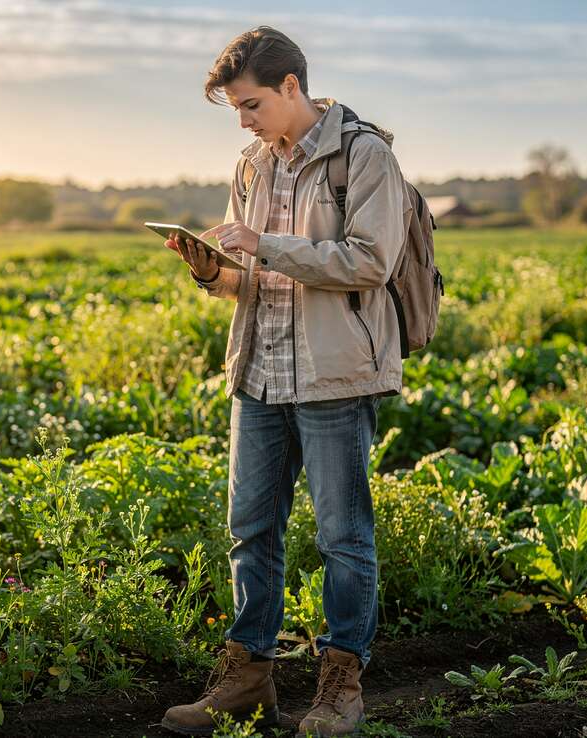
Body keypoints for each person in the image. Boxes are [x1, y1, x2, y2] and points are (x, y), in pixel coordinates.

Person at [160, 25, 411, 738]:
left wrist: (265, 244)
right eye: (236, 109)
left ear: (291, 87)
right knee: (251, 530)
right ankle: (248, 678)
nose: (242, 121)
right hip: (259, 373)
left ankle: (341, 688)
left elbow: (370, 263)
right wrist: (213, 270)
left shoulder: (363, 156)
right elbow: (253, 281)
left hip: (334, 377)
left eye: (250, 105)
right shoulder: (251, 165)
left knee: (343, 538)